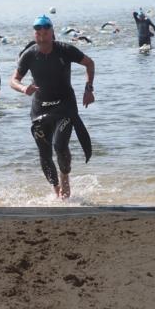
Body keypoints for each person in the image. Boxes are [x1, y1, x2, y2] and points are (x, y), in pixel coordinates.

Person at [10, 15, 95, 200]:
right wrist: (24, 88)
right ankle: (56, 190)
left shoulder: (64, 50)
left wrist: (88, 89)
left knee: (59, 145)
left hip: (65, 106)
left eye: (45, 32)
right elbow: (13, 80)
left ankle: (65, 177)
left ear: (52, 33)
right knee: (44, 153)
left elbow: (89, 63)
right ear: (35, 34)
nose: (42, 36)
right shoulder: (30, 54)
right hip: (40, 109)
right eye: (38, 33)